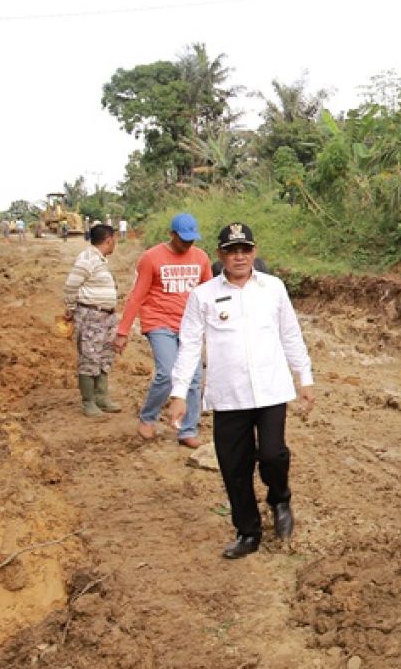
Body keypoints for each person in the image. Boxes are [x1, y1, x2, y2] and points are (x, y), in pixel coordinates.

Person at [168, 223, 315, 559]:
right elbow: (190, 346)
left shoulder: (274, 289)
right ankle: (248, 532)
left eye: (245, 250)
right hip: (228, 394)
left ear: (254, 252)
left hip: (271, 390)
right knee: (234, 467)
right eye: (231, 251)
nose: (239, 257)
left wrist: (304, 377)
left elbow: (291, 335)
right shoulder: (202, 296)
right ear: (220, 254)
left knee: (273, 455)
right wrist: (179, 393)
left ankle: (280, 498)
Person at [114, 213, 212, 447]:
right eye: (183, 239)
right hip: (159, 322)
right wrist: (122, 331)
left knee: (195, 376)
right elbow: (137, 296)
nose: (188, 244)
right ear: (172, 234)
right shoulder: (151, 258)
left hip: (190, 325)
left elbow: (210, 294)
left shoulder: (201, 258)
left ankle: (187, 429)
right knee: (167, 372)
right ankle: (148, 417)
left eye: (191, 240)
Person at [63, 223, 122, 417]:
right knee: (89, 357)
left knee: (104, 356)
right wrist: (71, 310)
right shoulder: (87, 259)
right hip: (91, 316)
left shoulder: (100, 259)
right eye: (115, 239)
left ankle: (102, 397)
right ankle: (88, 401)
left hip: (105, 316)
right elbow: (71, 286)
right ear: (109, 240)